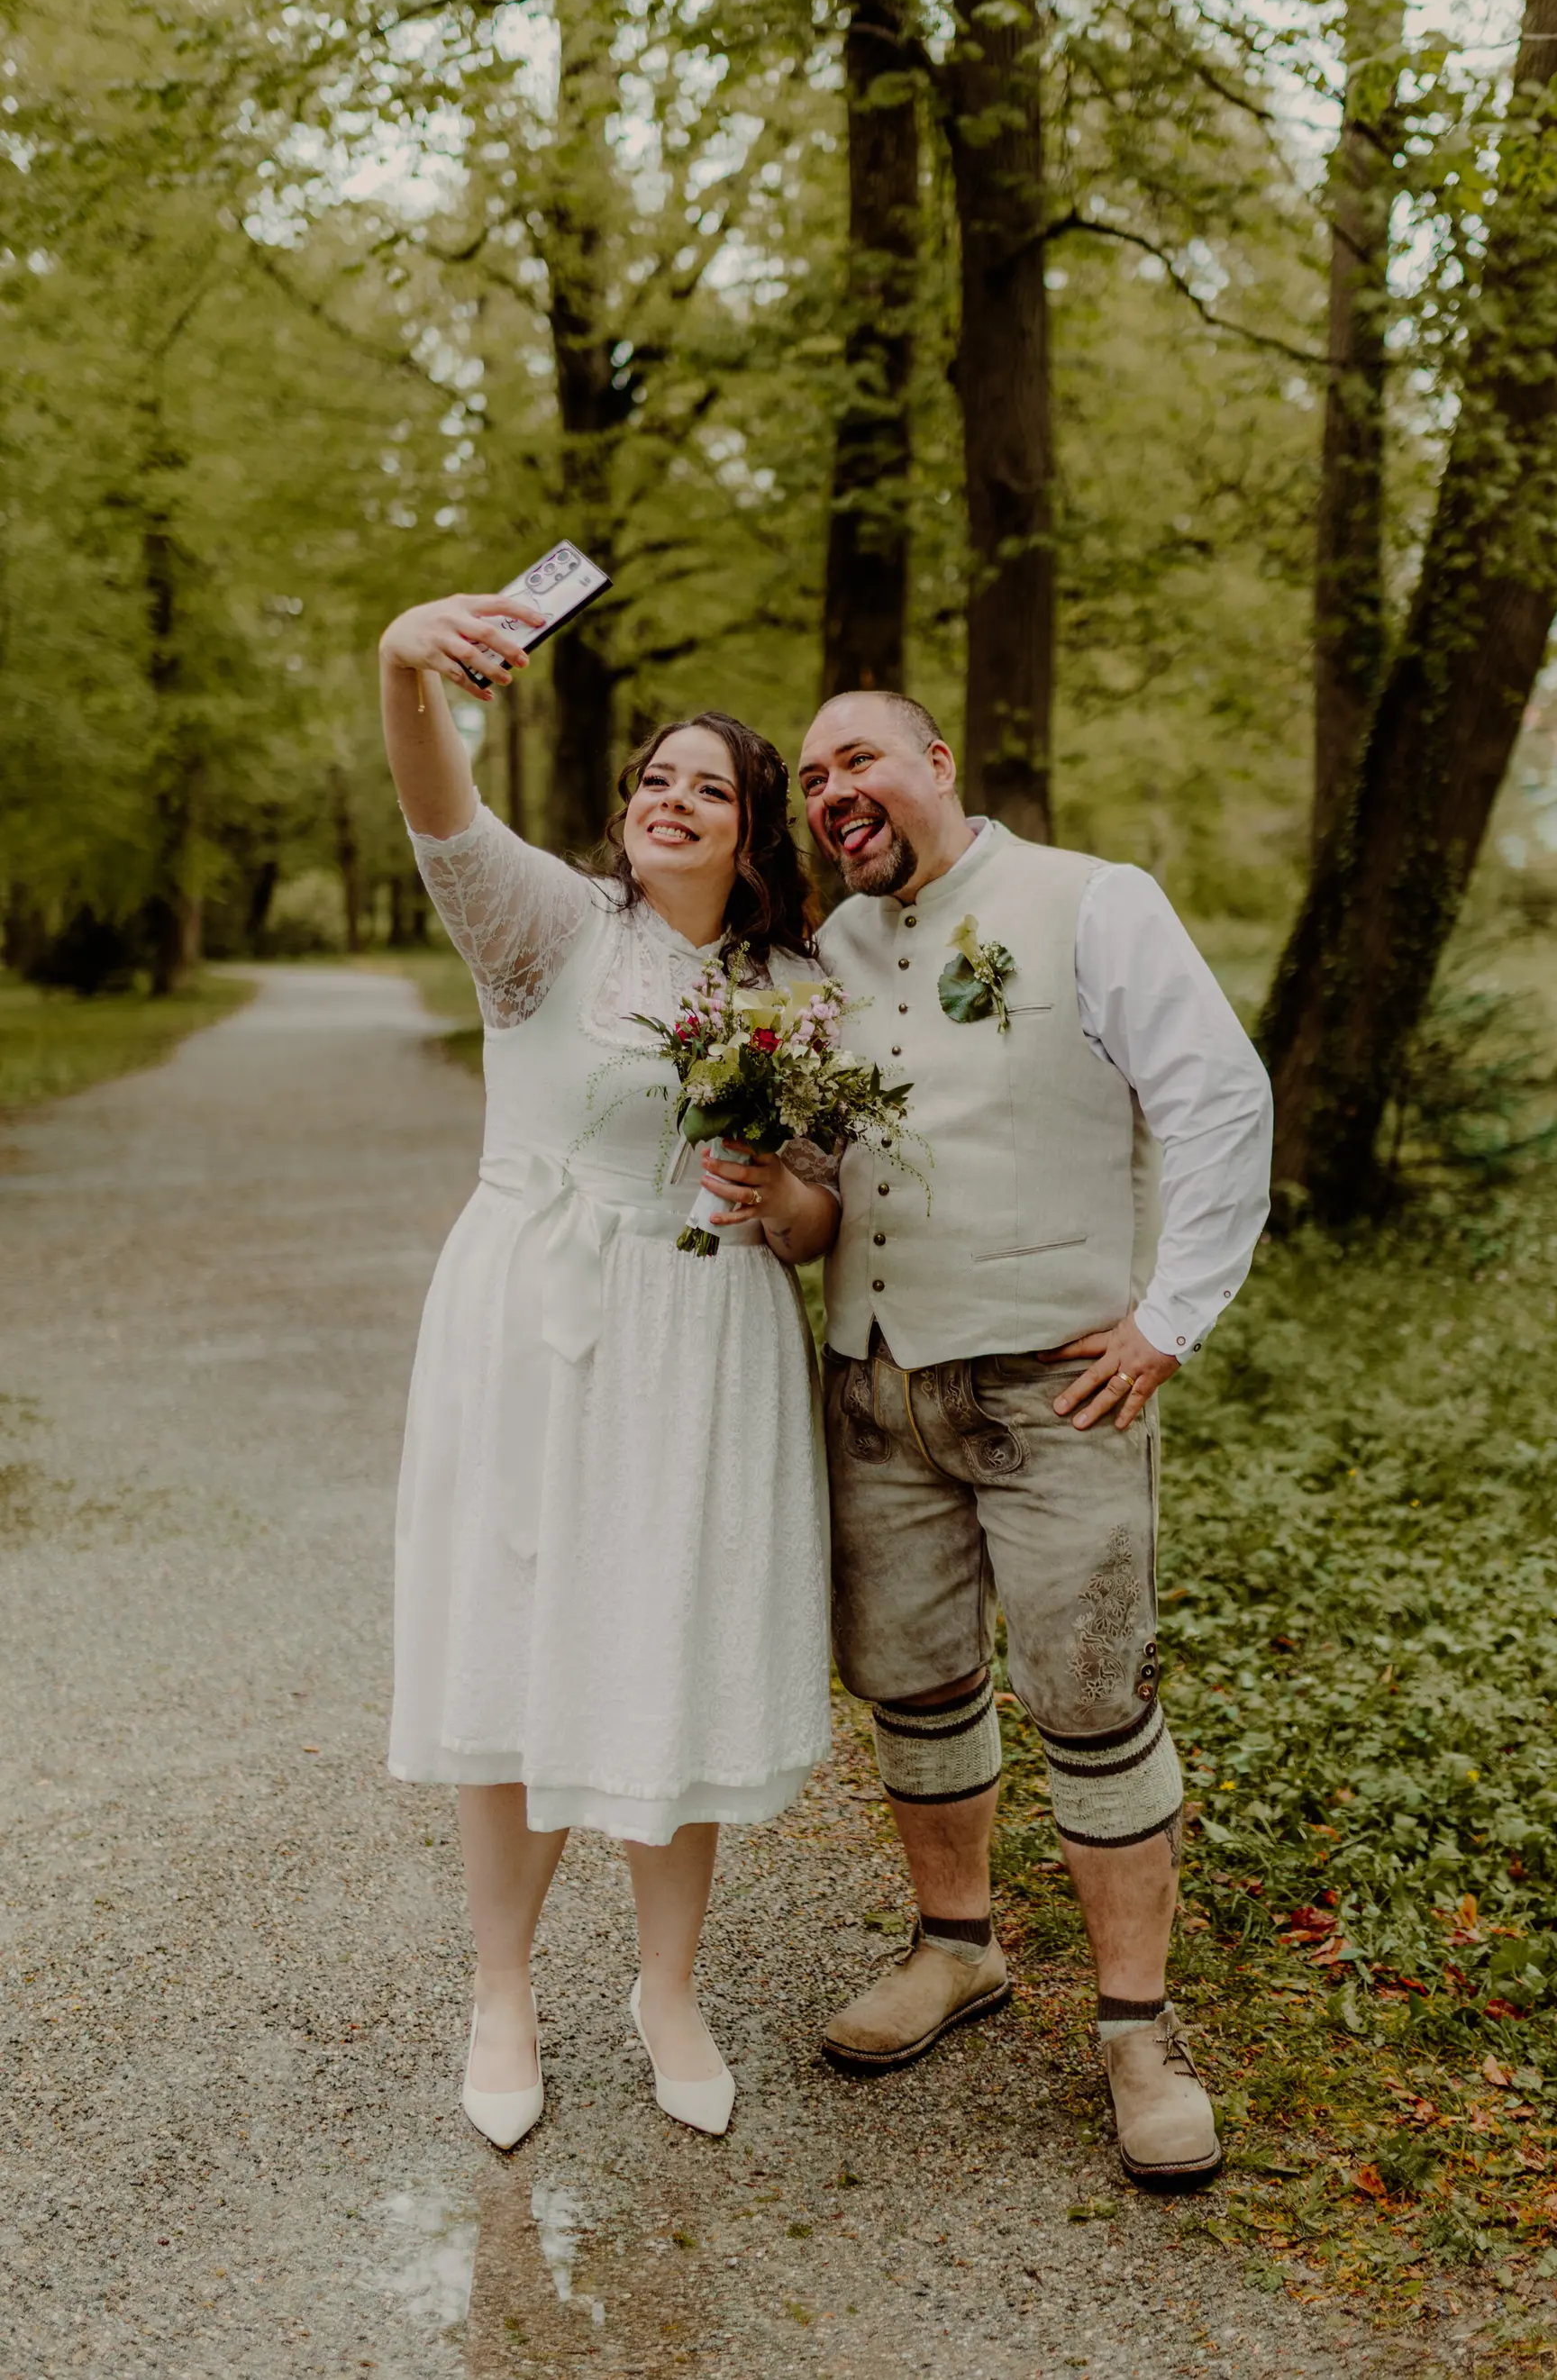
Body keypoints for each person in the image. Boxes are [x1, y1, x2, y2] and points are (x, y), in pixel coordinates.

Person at [378, 591, 838, 2149]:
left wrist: (780, 1205)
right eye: (655, 777)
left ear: (751, 830)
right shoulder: (553, 928)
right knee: (516, 1639)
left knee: (671, 1644)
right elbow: (441, 812)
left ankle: (668, 1990)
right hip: (538, 1316)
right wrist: (405, 663)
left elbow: (822, 1206)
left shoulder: (795, 989)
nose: (671, 799)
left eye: (709, 787)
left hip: (706, 1336)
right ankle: (502, 1994)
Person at [797, 690, 1273, 2189]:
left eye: (858, 759)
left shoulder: (1092, 901)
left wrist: (1170, 1319)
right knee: (916, 1681)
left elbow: (1218, 1100)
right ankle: (957, 1949)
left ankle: (1139, 2033)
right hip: (879, 1384)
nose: (831, 790)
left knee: (1091, 1694)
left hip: (1058, 1392)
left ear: (937, 764)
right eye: (809, 777)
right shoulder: (830, 949)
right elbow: (822, 1169)